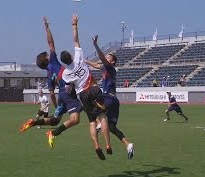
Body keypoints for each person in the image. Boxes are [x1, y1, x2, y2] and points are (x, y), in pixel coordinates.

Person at [20, 16, 82, 149]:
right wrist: (47, 28)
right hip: (69, 93)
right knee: (76, 119)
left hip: (61, 97)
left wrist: (57, 105)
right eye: (47, 55)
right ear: (47, 59)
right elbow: (51, 43)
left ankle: (34, 123)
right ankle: (53, 133)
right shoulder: (53, 61)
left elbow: (52, 93)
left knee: (55, 120)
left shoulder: (48, 74)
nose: (49, 54)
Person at [61, 14, 112, 160]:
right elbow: (76, 40)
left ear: (64, 62)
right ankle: (108, 144)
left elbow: (68, 89)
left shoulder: (66, 73)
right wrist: (74, 25)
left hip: (82, 94)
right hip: (94, 88)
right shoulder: (78, 56)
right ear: (70, 55)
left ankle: (96, 145)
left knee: (91, 121)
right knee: (102, 116)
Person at [93, 94, 134, 159]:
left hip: (107, 101)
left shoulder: (86, 93)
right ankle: (128, 144)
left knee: (93, 112)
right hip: (114, 101)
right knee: (111, 127)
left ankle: (100, 124)